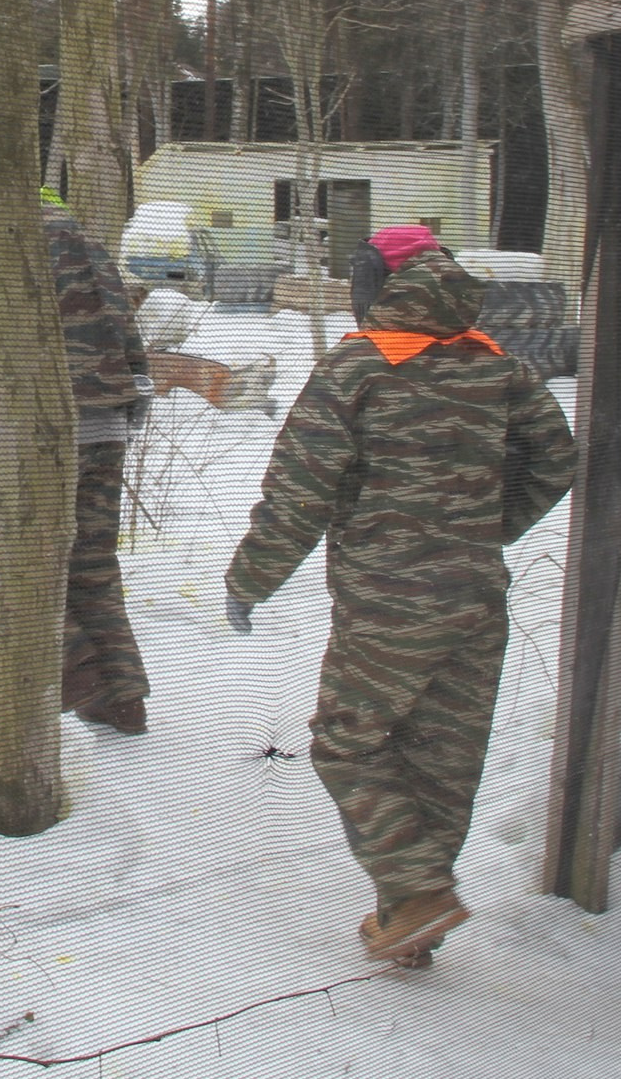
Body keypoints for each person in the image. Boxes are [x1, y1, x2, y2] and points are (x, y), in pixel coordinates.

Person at [223, 232, 574, 962]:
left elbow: (300, 492)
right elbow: (556, 457)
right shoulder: (495, 361)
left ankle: (414, 896)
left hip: (390, 606)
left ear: (377, 284)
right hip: (476, 597)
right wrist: (484, 527)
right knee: (441, 759)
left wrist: (249, 580)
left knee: (346, 742)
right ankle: (411, 924)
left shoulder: (356, 366)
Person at [39, 187, 159, 733]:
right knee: (92, 568)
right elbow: (129, 334)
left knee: (0, 556)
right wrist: (131, 408)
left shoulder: (4, 245)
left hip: (41, 431)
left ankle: (79, 676)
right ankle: (122, 700)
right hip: (108, 424)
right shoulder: (93, 247)